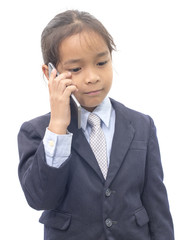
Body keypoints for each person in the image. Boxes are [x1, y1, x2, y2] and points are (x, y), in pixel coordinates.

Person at [17, 10, 174, 240]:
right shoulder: (37, 132)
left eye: (101, 62)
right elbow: (41, 198)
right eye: (76, 69)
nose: (92, 77)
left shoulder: (141, 125)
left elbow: (157, 203)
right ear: (50, 73)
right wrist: (59, 125)